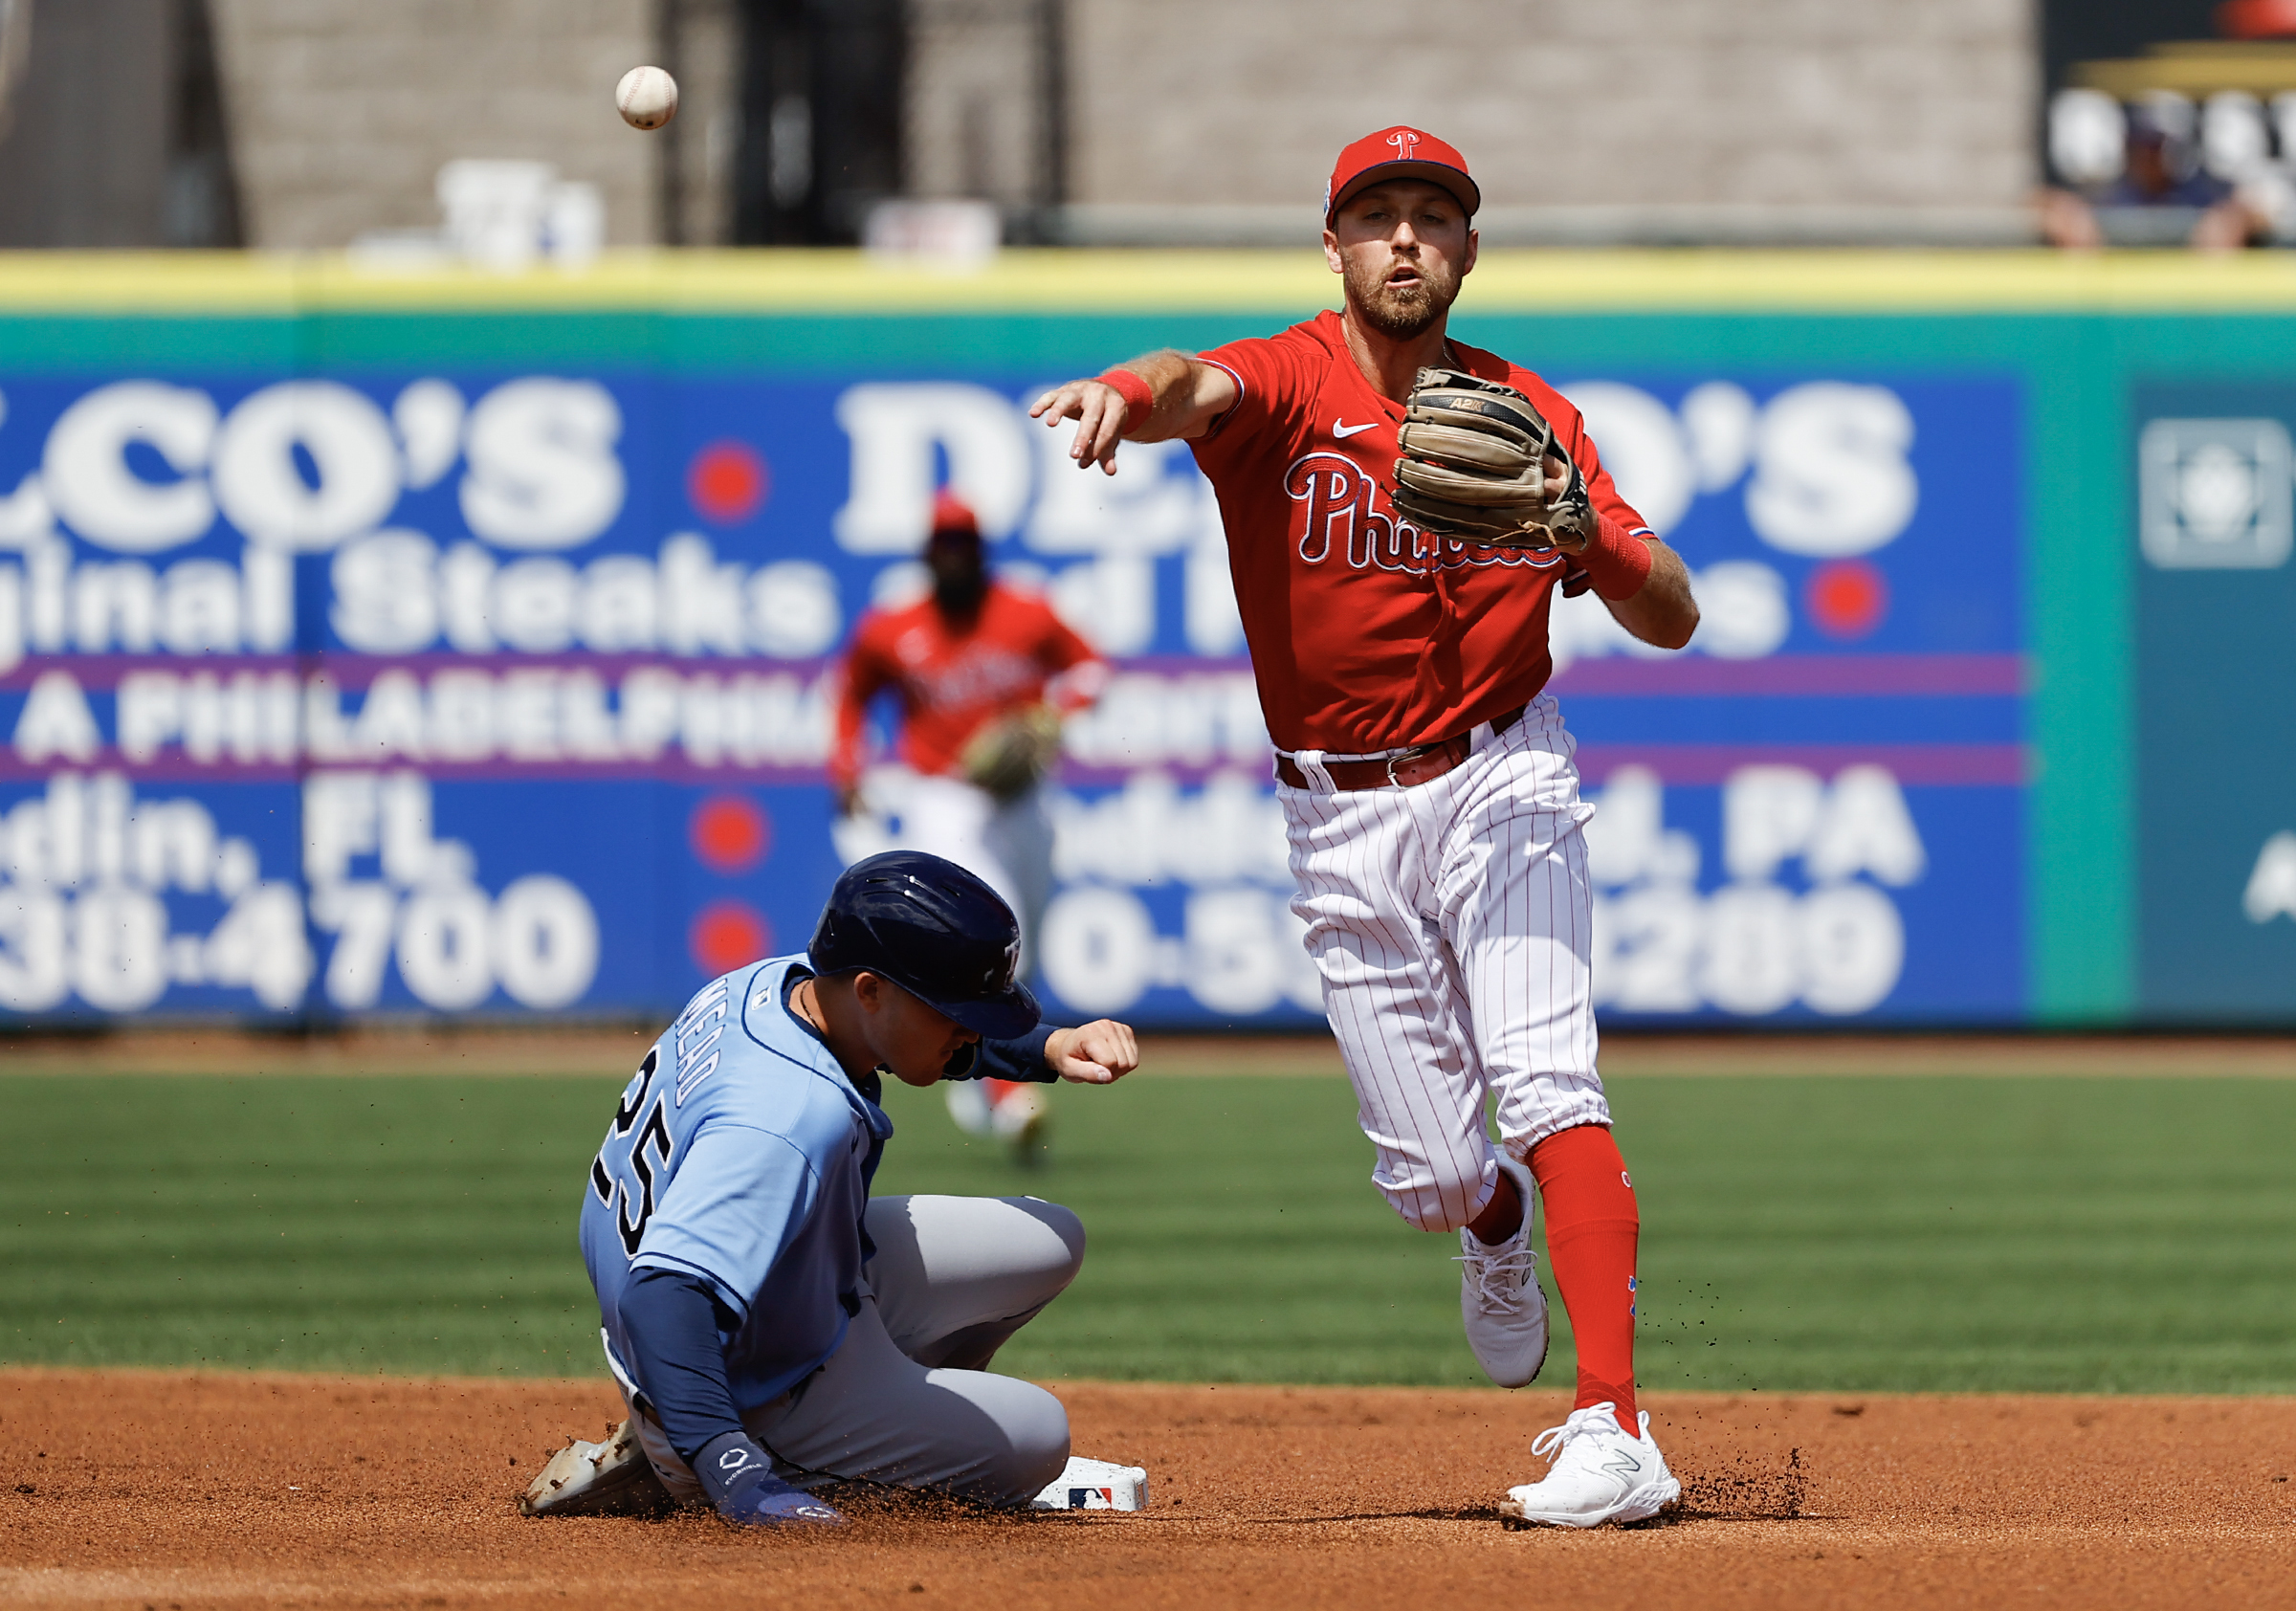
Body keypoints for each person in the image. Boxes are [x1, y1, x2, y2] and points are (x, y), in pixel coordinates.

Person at [1028, 126, 1701, 1529]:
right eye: (1377, 217)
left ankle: (1617, 1428)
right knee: (1438, 1178)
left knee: (1550, 1080)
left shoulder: (1534, 413)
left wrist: (1587, 538)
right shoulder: (1290, 381)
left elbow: (1673, 610)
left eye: (1432, 217)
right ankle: (1495, 1224)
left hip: (1504, 771)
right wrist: (1112, 391)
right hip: (1336, 813)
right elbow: (1184, 385)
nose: (1406, 239)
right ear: (1333, 247)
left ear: (1467, 248)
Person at [519, 850, 1140, 1527]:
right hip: (744, 1377)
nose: (968, 1028)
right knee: (1038, 1438)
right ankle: (722, 1456)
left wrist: (1047, 1049)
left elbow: (913, 1037)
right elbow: (663, 1294)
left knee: (1051, 1239)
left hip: (781, 1293)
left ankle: (888, 1426)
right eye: (952, 1008)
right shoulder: (790, 1117)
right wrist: (731, 1470)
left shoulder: (769, 985)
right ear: (870, 989)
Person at [828, 491, 1110, 1159]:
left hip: (1024, 797)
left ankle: (970, 1066)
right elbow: (851, 694)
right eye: (944, 544)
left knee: (1027, 943)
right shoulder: (894, 626)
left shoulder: (1025, 612)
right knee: (990, 940)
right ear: (928, 553)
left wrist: (1053, 715)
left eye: (965, 544)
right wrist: (848, 766)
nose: (954, 555)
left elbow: (1088, 669)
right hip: (945, 795)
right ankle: (1012, 1099)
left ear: (980, 552)